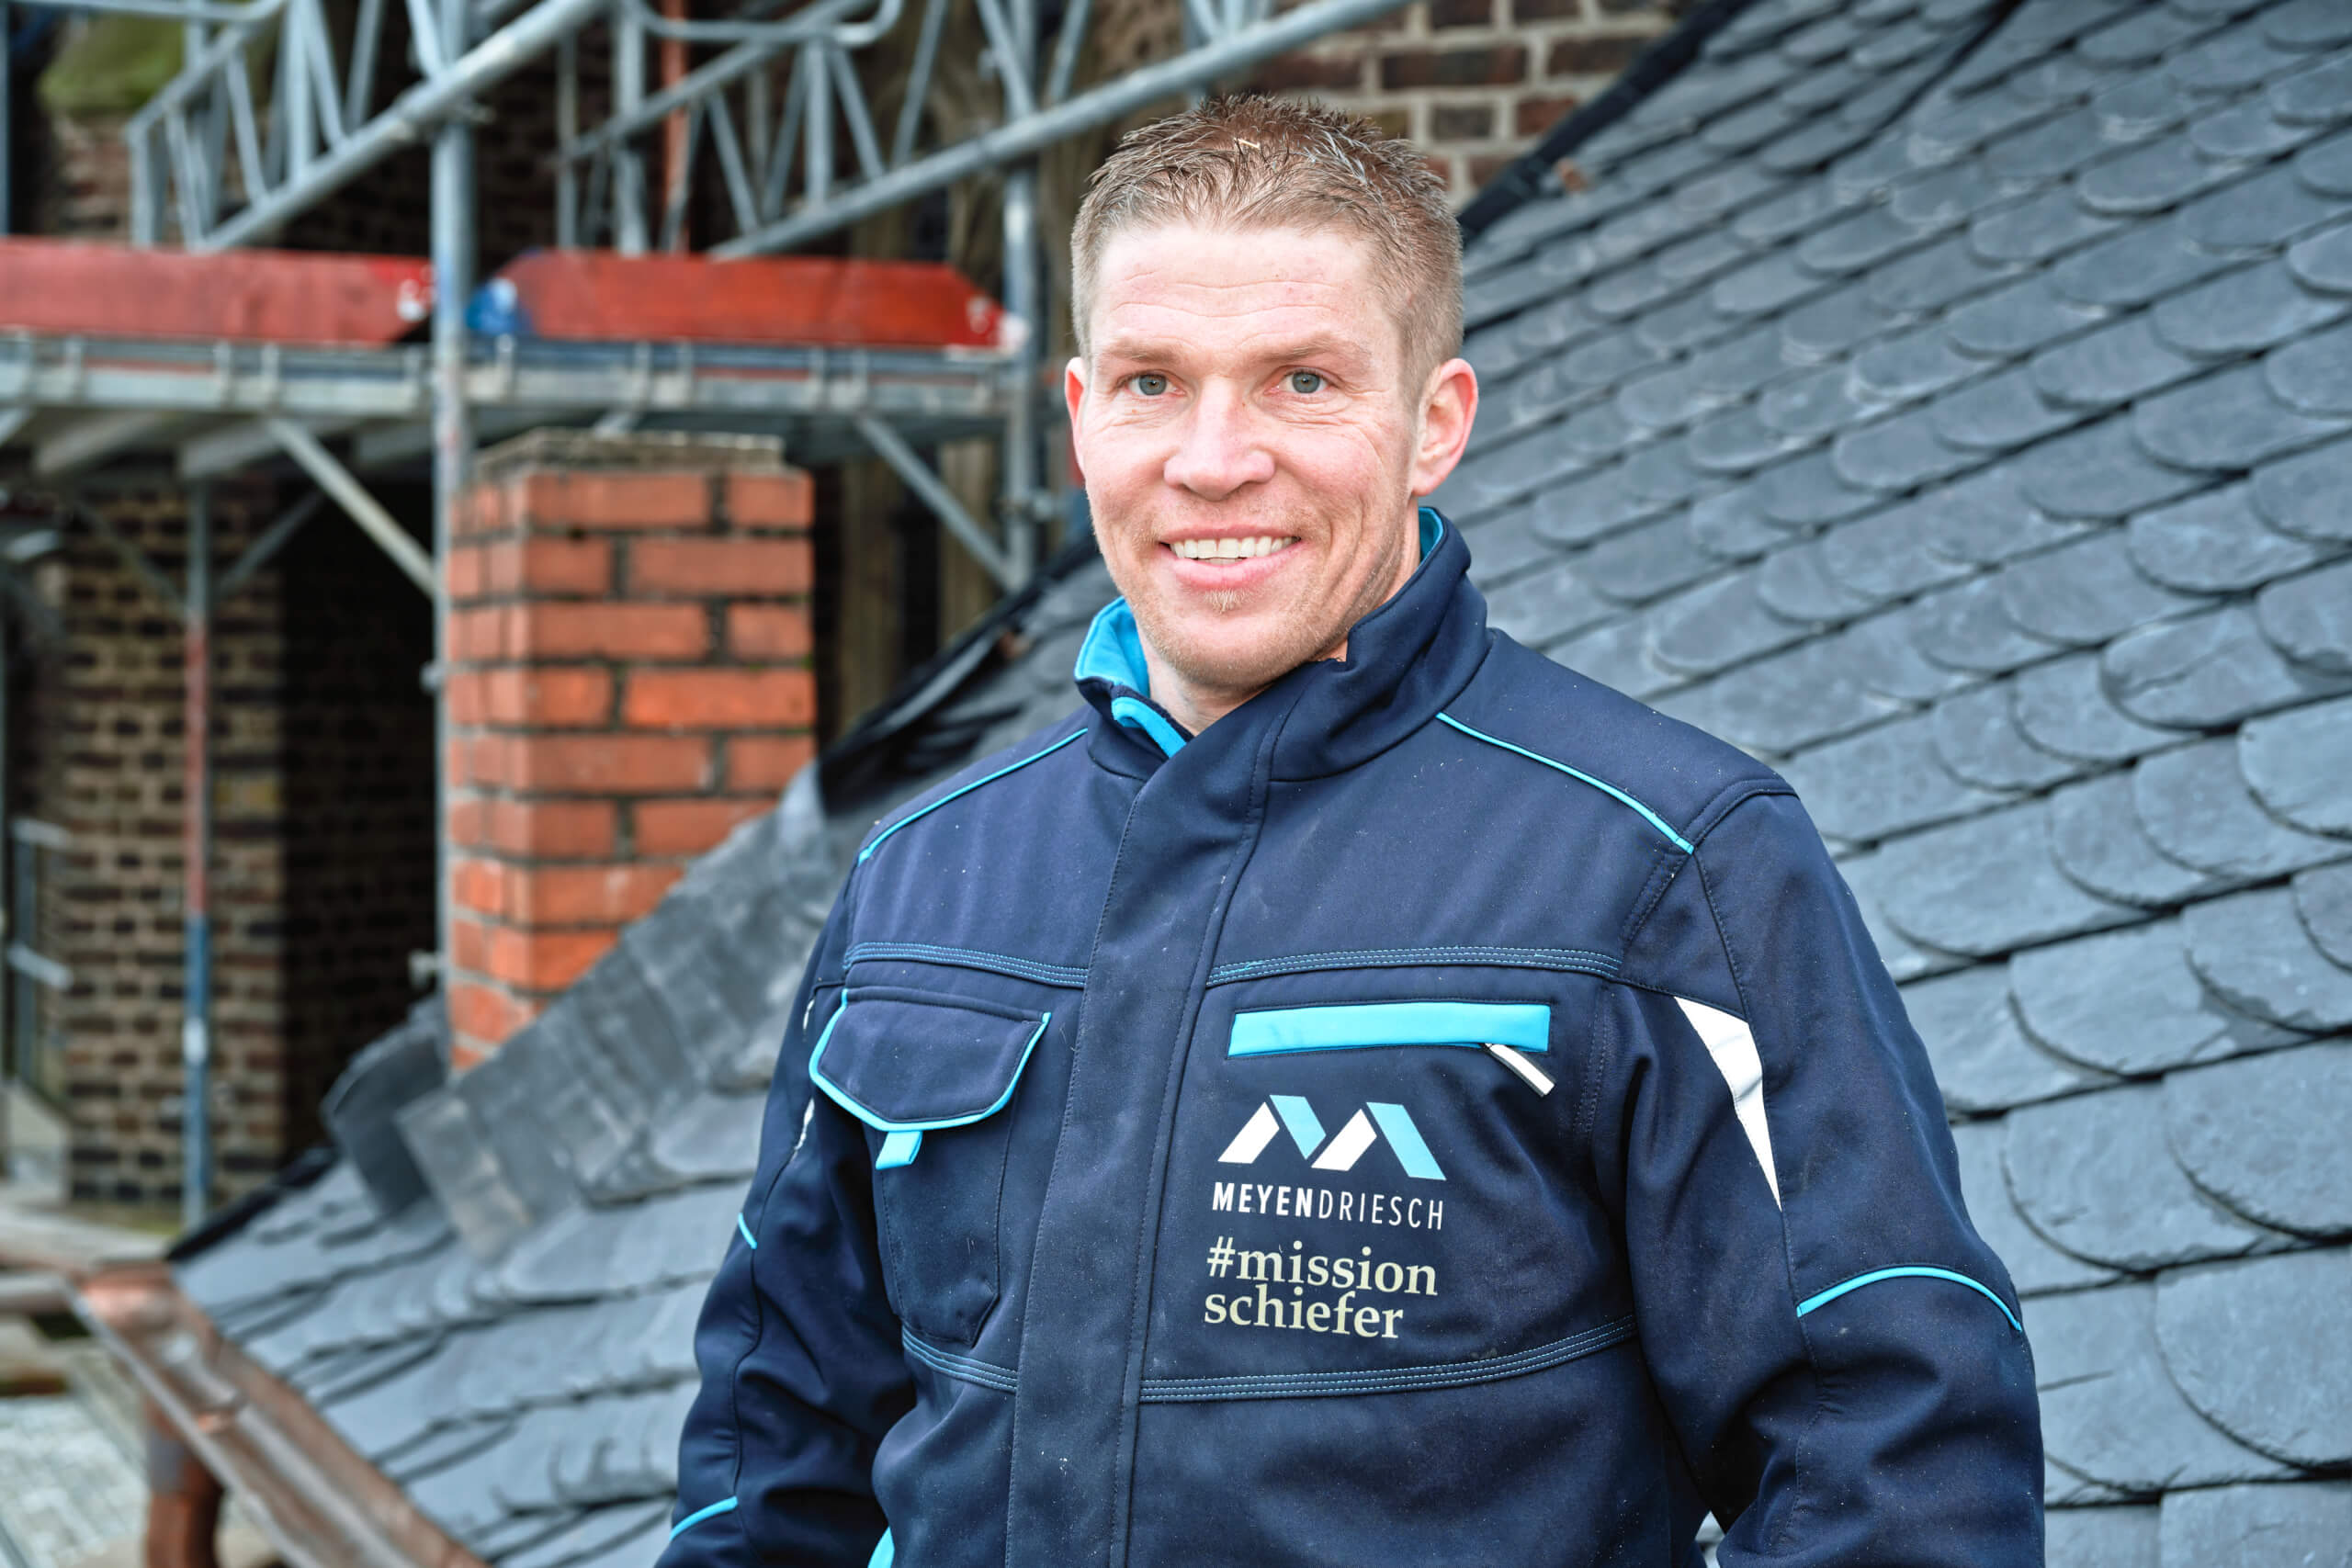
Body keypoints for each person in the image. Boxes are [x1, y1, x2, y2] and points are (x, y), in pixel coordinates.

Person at [658, 96, 2042, 1568]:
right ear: (1078, 416)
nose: (1211, 460)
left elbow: (1892, 1480)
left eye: (1302, 381)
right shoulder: (922, 881)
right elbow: (773, 1455)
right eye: (1150, 382)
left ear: (1435, 422)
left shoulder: (1664, 871)